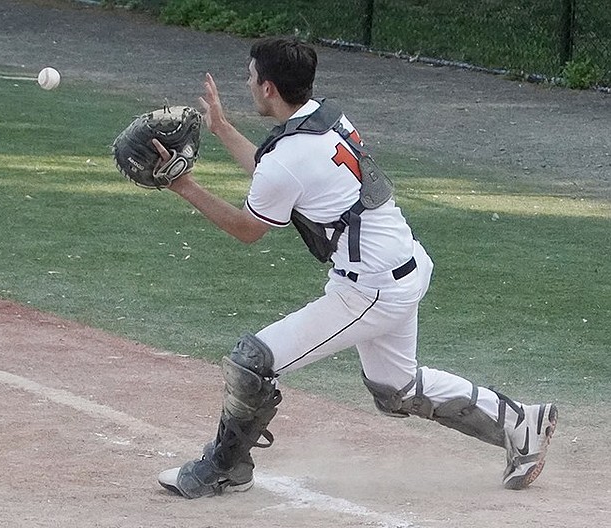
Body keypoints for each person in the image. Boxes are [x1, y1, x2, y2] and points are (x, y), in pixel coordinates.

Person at [152, 37, 557, 499]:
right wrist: (222, 129)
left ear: (267, 88)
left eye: (249, 78)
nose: (246, 84)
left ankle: (223, 468)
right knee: (396, 388)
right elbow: (276, 177)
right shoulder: (323, 118)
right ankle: (522, 423)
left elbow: (249, 227)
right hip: (401, 264)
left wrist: (184, 186)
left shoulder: (288, 158)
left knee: (254, 362)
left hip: (370, 289)